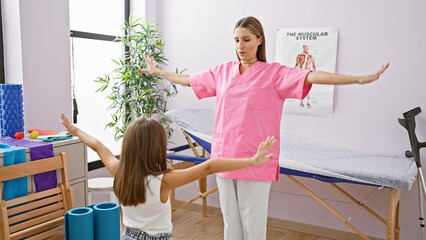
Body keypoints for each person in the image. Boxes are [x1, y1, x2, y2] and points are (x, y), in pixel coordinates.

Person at [139, 16, 389, 240]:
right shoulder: (223, 72)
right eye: (236, 40)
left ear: (259, 40)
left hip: (256, 159)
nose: (240, 46)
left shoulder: (274, 74)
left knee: (253, 225)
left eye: (246, 39)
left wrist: (357, 79)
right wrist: (158, 71)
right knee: (231, 223)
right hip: (224, 155)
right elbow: (189, 80)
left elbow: (311, 76)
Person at [60, 113, 276, 240]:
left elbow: (99, 147)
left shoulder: (119, 171)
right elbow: (209, 166)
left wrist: (75, 131)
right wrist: (250, 161)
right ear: (158, 147)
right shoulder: (163, 181)